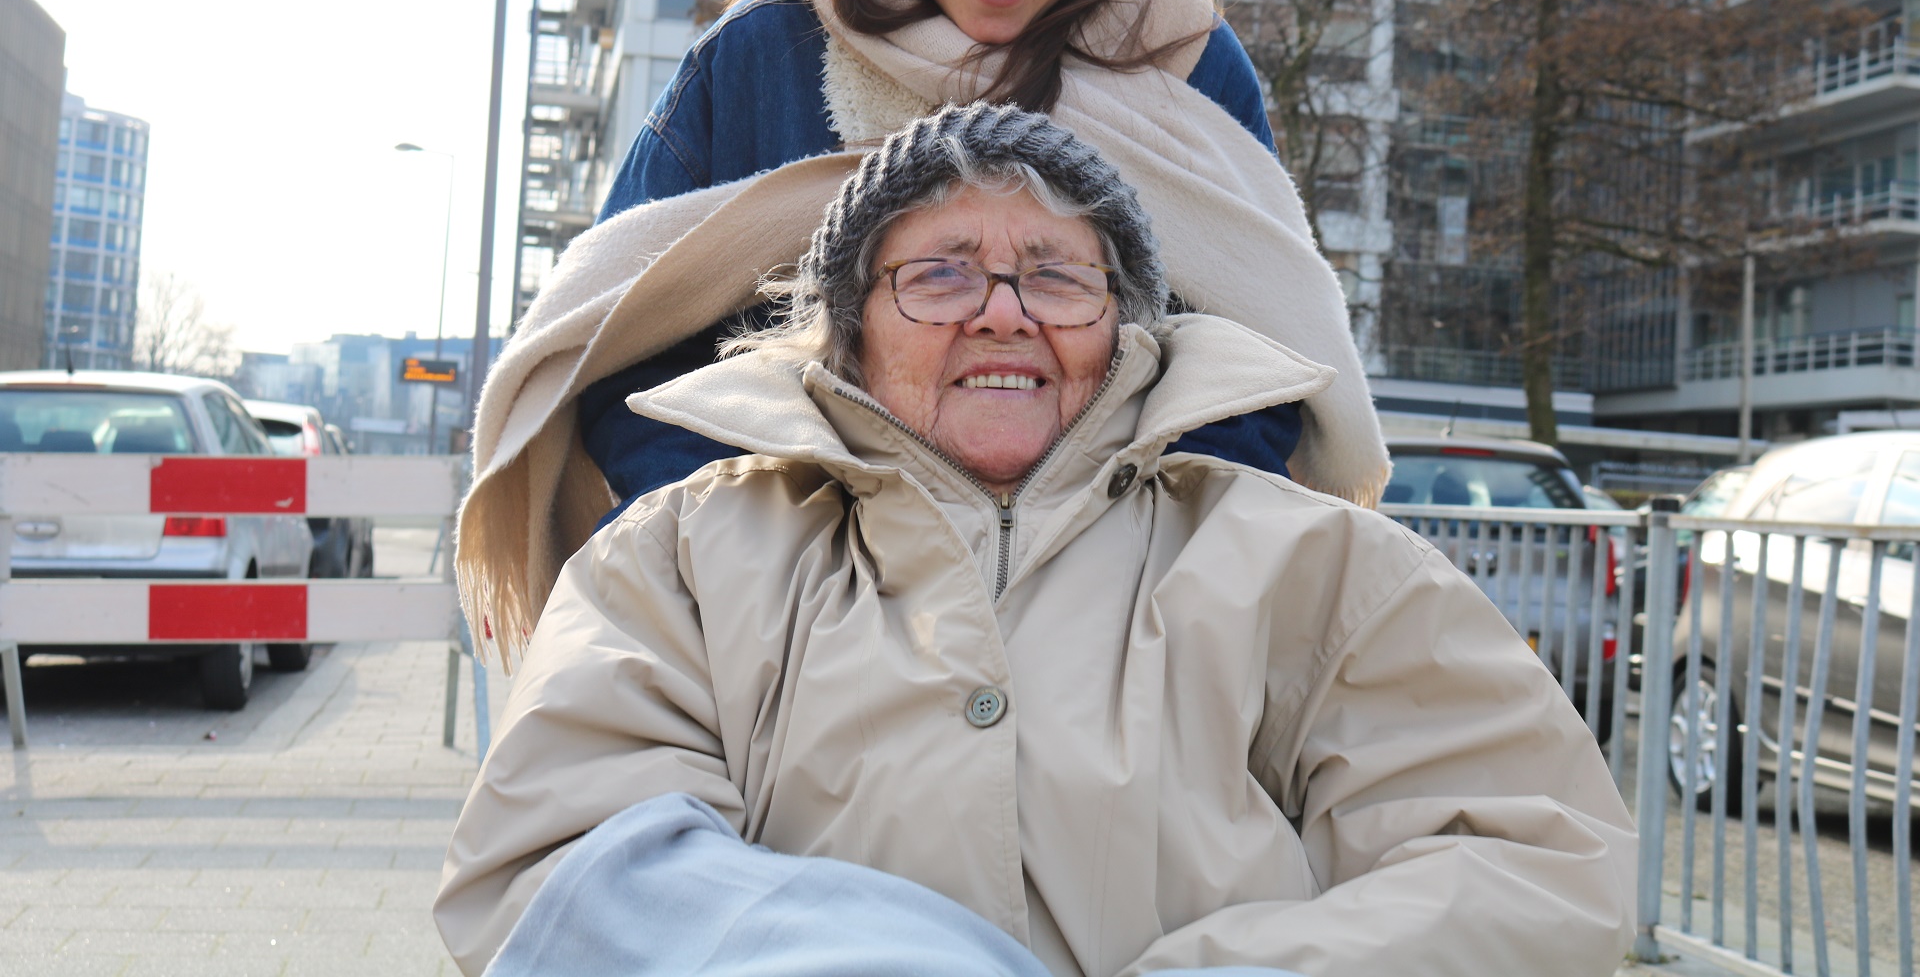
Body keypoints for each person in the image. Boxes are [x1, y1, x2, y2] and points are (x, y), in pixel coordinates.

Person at [437, 105, 1637, 977]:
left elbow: (1529, 858)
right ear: (850, 330)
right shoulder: (683, 557)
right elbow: (561, 863)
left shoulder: (1308, 562)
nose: (1003, 307)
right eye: (943, 272)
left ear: (1126, 329)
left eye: (1059, 274)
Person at [455, 0, 1389, 658]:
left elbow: (1265, 362)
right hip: (790, 631)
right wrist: (766, 557)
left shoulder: (1190, 72)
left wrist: (1119, 565)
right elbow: (627, 347)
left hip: (1111, 644)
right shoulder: (764, 60)